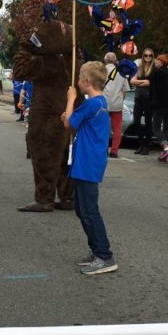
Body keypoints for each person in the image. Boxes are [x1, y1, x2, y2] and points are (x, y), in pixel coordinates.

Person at [64, 61, 117, 275]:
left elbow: (68, 123)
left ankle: (105, 255)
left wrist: (70, 99)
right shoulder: (99, 102)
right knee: (82, 208)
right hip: (87, 161)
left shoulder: (91, 103)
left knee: (89, 210)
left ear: (86, 82)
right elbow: (75, 122)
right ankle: (97, 251)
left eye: (79, 78)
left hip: (87, 162)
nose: (77, 82)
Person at [150, 53, 168, 161]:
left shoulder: (157, 73)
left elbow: (153, 90)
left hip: (160, 105)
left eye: (157, 60)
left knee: (156, 128)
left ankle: (166, 148)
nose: (155, 62)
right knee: (166, 128)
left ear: (162, 62)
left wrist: (151, 104)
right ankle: (165, 153)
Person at [130, 49, 155, 154]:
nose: (148, 57)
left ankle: (147, 145)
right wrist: (142, 81)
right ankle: (141, 143)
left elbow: (149, 83)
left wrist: (138, 83)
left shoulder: (154, 68)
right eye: (146, 55)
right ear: (143, 56)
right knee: (136, 121)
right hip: (138, 97)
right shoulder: (139, 67)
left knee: (148, 122)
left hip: (149, 98)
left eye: (150, 55)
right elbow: (132, 81)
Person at [103, 52, 128, 158]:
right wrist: (121, 99)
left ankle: (103, 149)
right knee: (117, 129)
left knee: (103, 128)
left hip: (103, 103)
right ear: (115, 61)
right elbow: (125, 89)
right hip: (117, 104)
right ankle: (114, 151)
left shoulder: (101, 71)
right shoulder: (121, 72)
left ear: (105, 60)